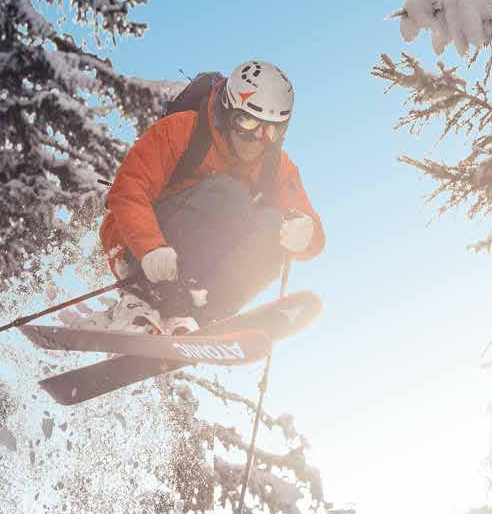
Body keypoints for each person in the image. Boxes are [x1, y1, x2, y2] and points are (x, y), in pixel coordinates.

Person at [99, 60, 325, 331]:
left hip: (196, 274)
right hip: (141, 249)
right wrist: (150, 248)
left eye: (270, 130)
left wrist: (305, 235)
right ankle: (142, 300)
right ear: (226, 112)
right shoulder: (181, 130)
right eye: (247, 122)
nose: (256, 139)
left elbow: (310, 228)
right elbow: (129, 189)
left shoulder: (275, 166)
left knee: (274, 225)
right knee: (229, 195)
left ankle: (199, 316)